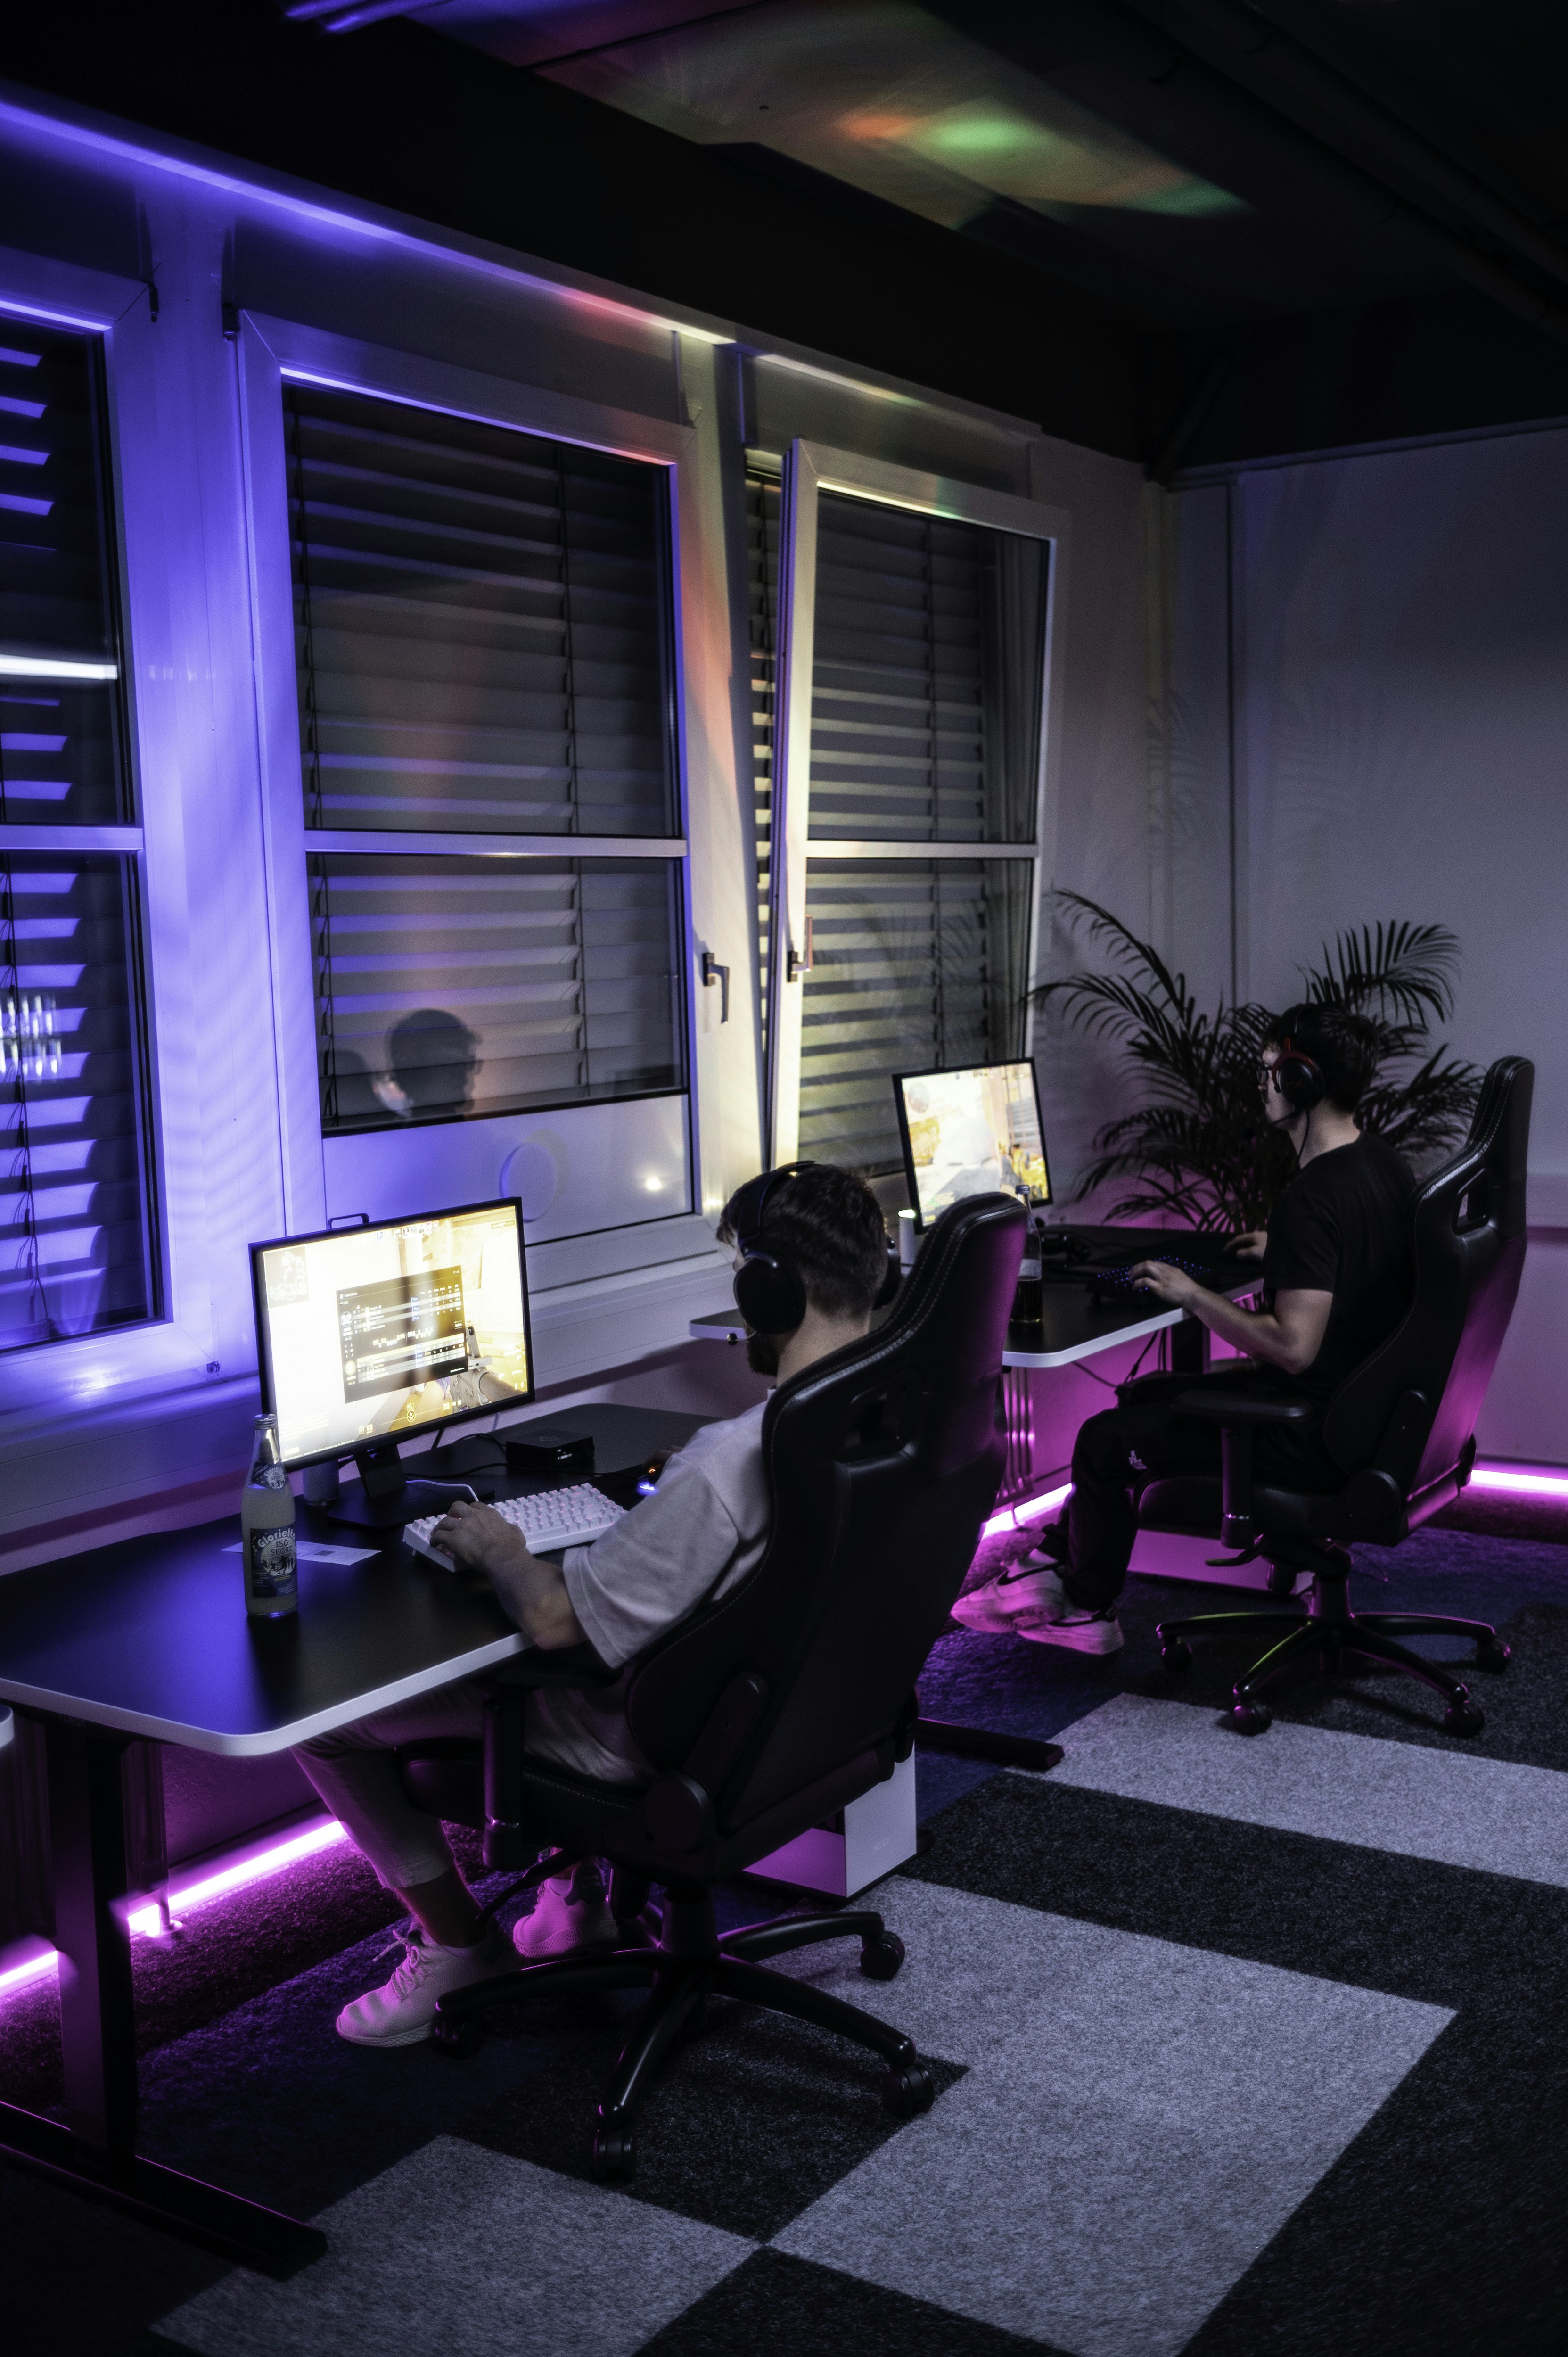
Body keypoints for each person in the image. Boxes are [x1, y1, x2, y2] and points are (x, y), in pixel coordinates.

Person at [293, 1161, 890, 2048]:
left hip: (663, 1743)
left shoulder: (731, 1463)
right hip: (805, 1727)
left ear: (767, 1290)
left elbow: (556, 1624)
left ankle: (459, 1946)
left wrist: (500, 1546)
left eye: (736, 1272)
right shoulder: (893, 1414)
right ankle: (576, 1910)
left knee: (326, 1723)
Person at [952, 1004, 1416, 1654]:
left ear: (1301, 1082)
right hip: (1363, 1417)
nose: (1261, 1088)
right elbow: (1353, 1266)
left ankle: (1087, 1608)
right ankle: (1053, 1562)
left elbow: (1292, 1346)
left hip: (1308, 1433)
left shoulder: (1313, 1199)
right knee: (1147, 1396)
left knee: (1104, 1440)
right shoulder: (1383, 1167)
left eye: (1267, 1073)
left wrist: (1191, 1292)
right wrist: (1287, 1250)